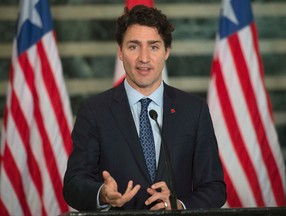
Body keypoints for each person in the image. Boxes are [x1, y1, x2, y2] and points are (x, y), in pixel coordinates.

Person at [63, 5, 226, 211]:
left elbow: (214, 187)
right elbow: (73, 183)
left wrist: (180, 205)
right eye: (133, 46)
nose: (144, 58)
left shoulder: (194, 110)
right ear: (120, 52)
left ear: (167, 52)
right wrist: (102, 194)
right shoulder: (94, 111)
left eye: (154, 46)